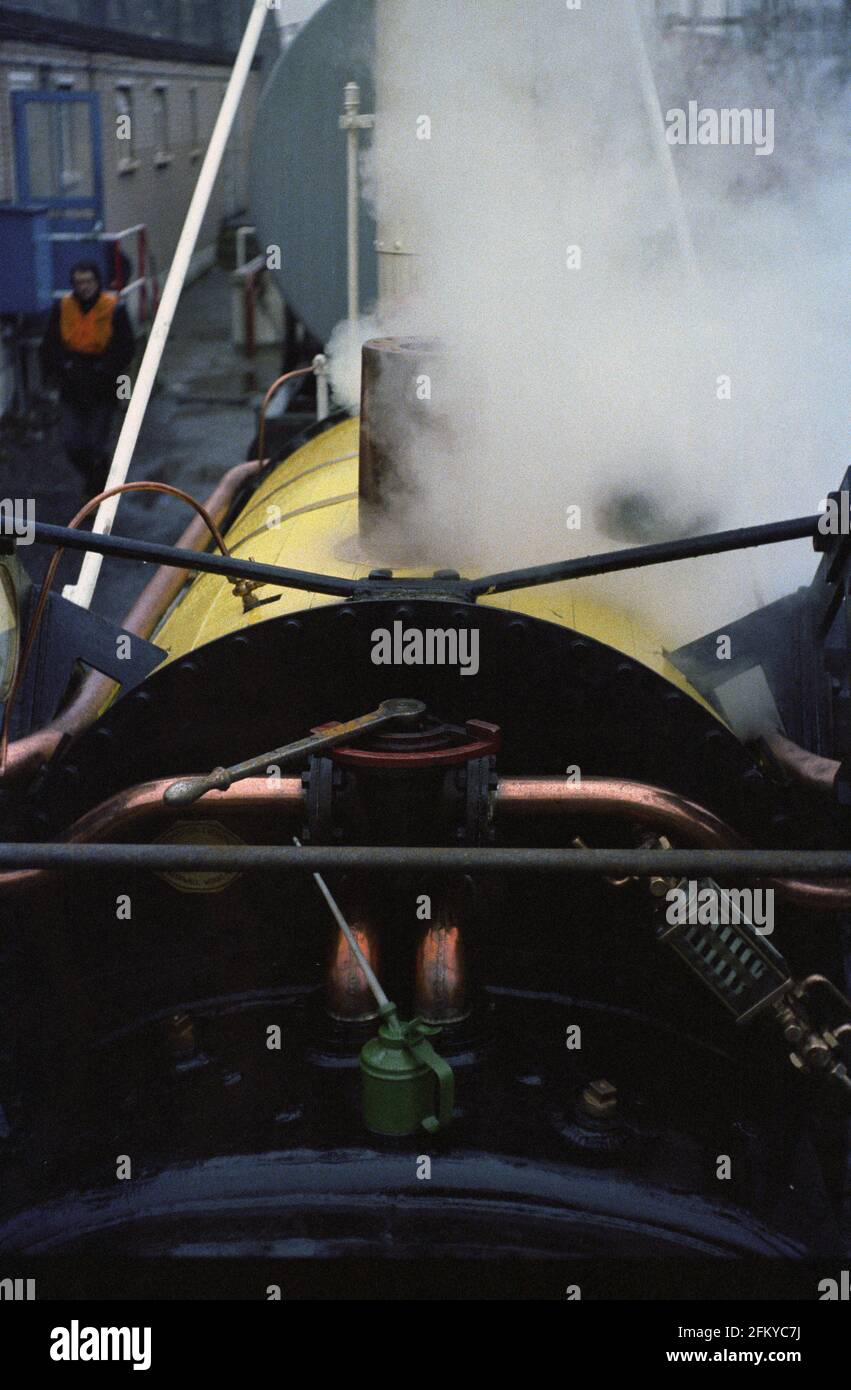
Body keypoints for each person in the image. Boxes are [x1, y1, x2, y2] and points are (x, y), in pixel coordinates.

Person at [39, 260, 135, 498]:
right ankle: (98, 479)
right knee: (71, 443)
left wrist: (107, 370)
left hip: (101, 385)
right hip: (72, 383)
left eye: (88, 281)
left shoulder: (114, 308)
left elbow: (126, 347)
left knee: (96, 444)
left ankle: (95, 492)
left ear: (97, 281)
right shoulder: (63, 307)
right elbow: (50, 343)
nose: (84, 287)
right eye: (79, 282)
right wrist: (60, 368)